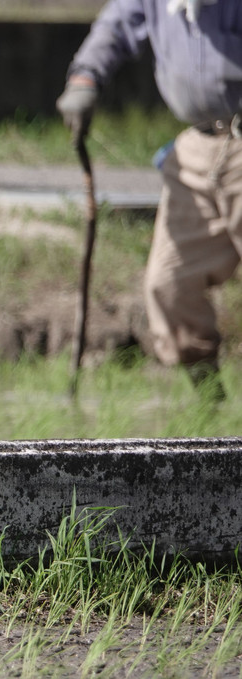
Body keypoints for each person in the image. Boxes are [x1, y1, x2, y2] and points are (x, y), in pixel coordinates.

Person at [56, 0, 240, 400]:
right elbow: (117, 24)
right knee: (169, 283)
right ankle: (210, 411)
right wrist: (85, 79)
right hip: (198, 145)